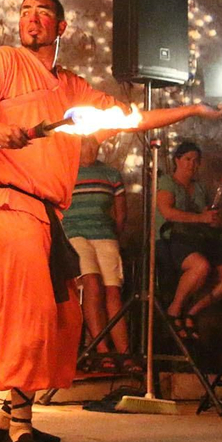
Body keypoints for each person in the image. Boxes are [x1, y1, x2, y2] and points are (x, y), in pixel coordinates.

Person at [0, 0, 222, 442]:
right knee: (31, 311)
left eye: (42, 12)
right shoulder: (3, 61)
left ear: (60, 27)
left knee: (65, 316)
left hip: (46, 214)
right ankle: (22, 426)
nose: (31, 18)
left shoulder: (73, 89)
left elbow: (131, 118)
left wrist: (192, 109)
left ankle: (3, 420)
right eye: (25, 11)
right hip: (5, 201)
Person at [64, 134, 130, 366]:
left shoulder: (110, 174)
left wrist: (116, 235)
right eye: (84, 144)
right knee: (91, 284)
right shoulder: (65, 172)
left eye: (93, 144)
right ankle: (101, 349)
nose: (90, 149)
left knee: (113, 292)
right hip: (75, 234)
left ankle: (124, 352)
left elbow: (121, 213)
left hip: (104, 235)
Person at [157, 140, 222, 338]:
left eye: (196, 160)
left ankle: (192, 311)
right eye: (187, 159)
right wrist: (200, 218)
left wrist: (212, 218)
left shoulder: (199, 188)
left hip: (199, 239)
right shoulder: (167, 182)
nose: (192, 164)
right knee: (200, 266)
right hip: (173, 239)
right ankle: (174, 311)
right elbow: (167, 212)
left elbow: (204, 213)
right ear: (177, 160)